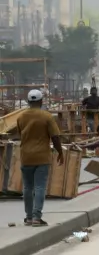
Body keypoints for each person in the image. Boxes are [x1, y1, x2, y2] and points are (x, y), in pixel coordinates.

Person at [15, 89, 63, 227]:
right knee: (40, 187)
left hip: (26, 156)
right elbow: (55, 137)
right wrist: (60, 152)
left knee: (27, 187)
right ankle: (37, 217)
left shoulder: (21, 117)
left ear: (29, 102)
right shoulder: (46, 116)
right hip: (42, 157)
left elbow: (20, 135)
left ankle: (29, 217)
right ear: (41, 101)